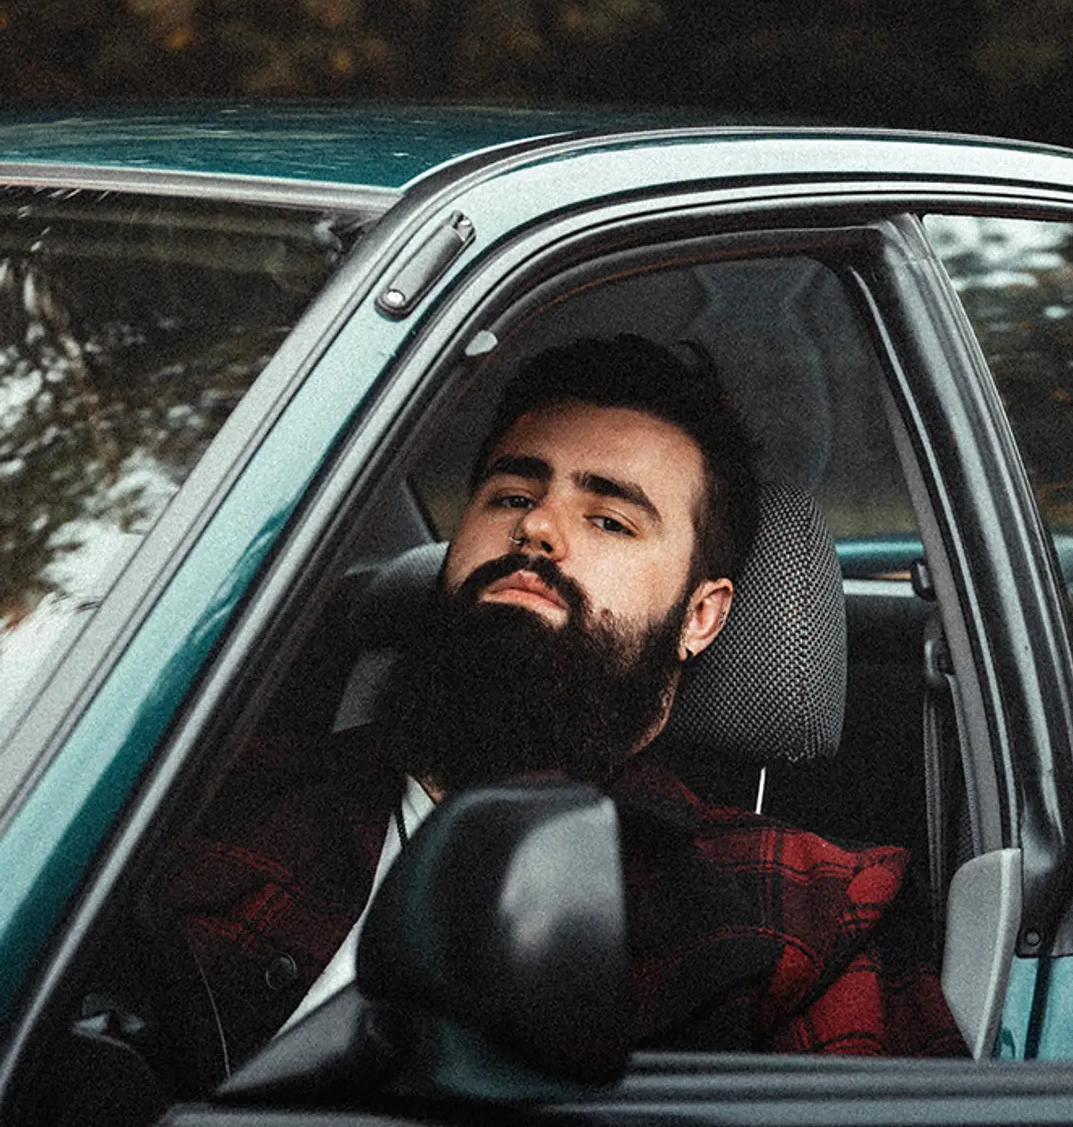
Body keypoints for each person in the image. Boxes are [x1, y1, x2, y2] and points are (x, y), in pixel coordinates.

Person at [164, 336, 966, 1065]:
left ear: (700, 616)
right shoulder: (218, 803)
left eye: (610, 519)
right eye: (511, 497)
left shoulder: (802, 916)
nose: (539, 530)